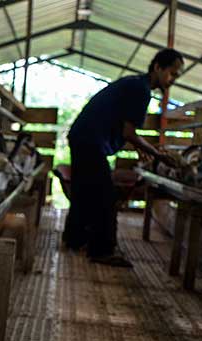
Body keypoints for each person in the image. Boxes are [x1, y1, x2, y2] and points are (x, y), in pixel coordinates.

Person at [63, 48, 184, 267]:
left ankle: (74, 239)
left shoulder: (134, 83)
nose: (173, 79)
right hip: (91, 140)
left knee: (84, 189)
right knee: (105, 195)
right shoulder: (141, 89)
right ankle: (102, 250)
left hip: (83, 136)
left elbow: (121, 126)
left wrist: (142, 146)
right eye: (172, 73)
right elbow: (129, 132)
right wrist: (157, 154)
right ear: (158, 67)